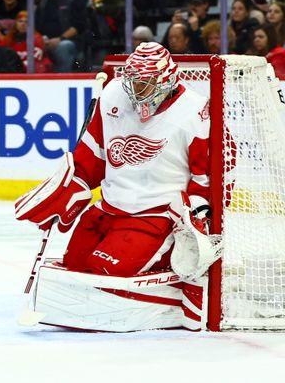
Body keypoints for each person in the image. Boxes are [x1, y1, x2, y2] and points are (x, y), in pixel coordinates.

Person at [15, 42, 217, 331]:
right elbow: (93, 154)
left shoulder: (194, 112)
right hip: (107, 211)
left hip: (155, 216)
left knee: (105, 269)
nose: (135, 92)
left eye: (144, 85)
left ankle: (174, 280)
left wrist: (196, 220)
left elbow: (205, 178)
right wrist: (69, 188)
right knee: (76, 266)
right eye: (131, 83)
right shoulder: (113, 93)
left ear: (166, 82)